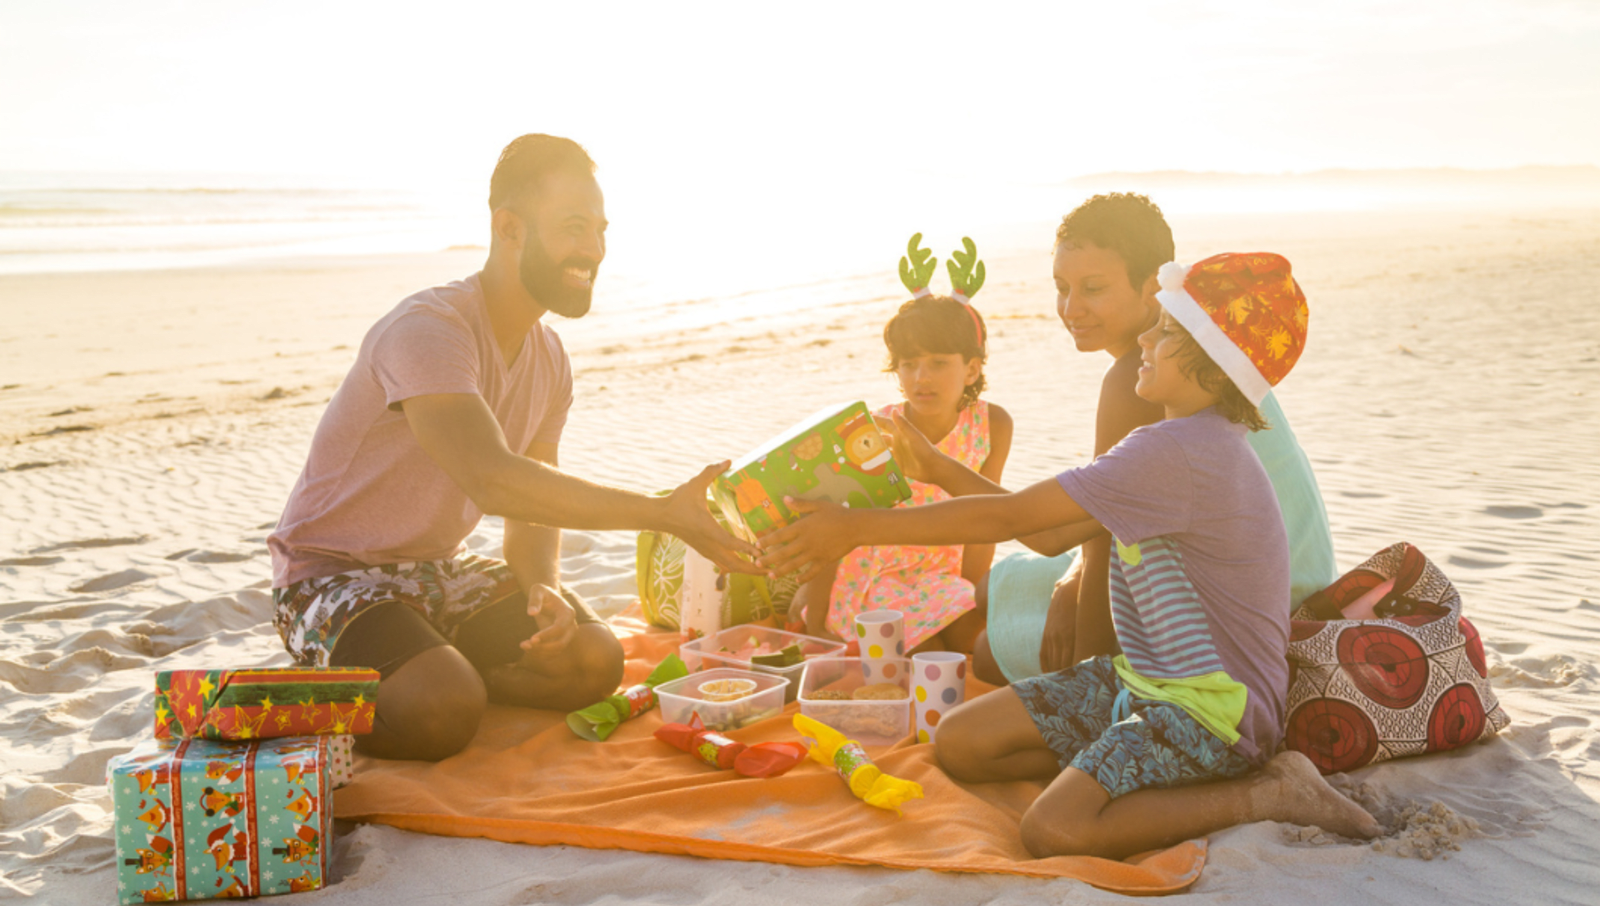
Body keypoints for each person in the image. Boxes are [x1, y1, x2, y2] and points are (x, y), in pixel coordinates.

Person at [761, 253, 1382, 860]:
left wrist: (852, 529)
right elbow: (1049, 537)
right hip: (1141, 680)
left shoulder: (1181, 453)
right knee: (961, 742)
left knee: (1054, 831)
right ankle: (1117, 766)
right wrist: (935, 467)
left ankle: (1268, 792)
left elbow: (1011, 519)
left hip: (1210, 711)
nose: (1147, 338)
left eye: (1166, 331)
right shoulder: (1175, 443)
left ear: (1215, 368)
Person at [267, 134, 758, 762]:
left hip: (436, 570)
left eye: (602, 230)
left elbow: (533, 502)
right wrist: (659, 512)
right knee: (443, 710)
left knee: (591, 659)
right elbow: (493, 479)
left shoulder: (549, 357)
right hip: (330, 575)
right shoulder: (427, 331)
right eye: (575, 228)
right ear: (510, 228)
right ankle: (346, 690)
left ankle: (436, 666)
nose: (594, 250)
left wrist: (542, 588)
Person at [968, 194, 1335, 685]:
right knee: (992, 589)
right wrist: (1070, 577)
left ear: (1150, 288)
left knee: (986, 653)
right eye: (1061, 287)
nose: (1071, 308)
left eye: (1093, 288)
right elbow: (1104, 518)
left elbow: (1102, 541)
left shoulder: (1136, 382)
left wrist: (1085, 678)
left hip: (1242, 614)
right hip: (1294, 582)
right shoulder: (1204, 348)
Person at [791, 236, 1012, 652]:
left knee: (983, 648)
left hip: (943, 580)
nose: (920, 378)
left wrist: (973, 595)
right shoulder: (874, 430)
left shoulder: (992, 424)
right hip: (876, 580)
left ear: (972, 368)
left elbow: (989, 522)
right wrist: (816, 621)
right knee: (934, 661)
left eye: (938, 363)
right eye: (908, 364)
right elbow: (834, 525)